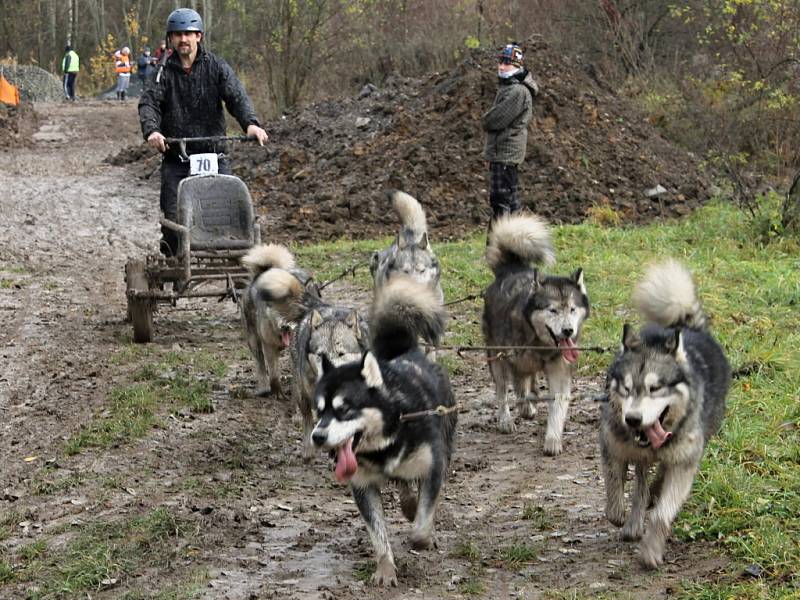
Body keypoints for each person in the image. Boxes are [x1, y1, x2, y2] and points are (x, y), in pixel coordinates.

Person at [138, 8, 269, 257]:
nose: (183, 39)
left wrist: (250, 123)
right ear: (171, 39)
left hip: (215, 154)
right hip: (177, 157)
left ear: (199, 36)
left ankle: (234, 262)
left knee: (230, 210)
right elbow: (149, 104)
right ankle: (174, 263)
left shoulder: (217, 67)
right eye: (177, 34)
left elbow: (236, 96)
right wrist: (152, 131)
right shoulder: (162, 73)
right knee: (173, 216)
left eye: (188, 33)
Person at [482, 42, 539, 221]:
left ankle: (500, 246)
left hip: (506, 153)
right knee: (507, 202)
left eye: (506, 63)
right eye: (501, 62)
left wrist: (486, 119)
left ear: (517, 66)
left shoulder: (517, 91)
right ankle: (507, 246)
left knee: (502, 203)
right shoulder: (510, 87)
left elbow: (494, 120)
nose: (501, 67)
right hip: (503, 153)